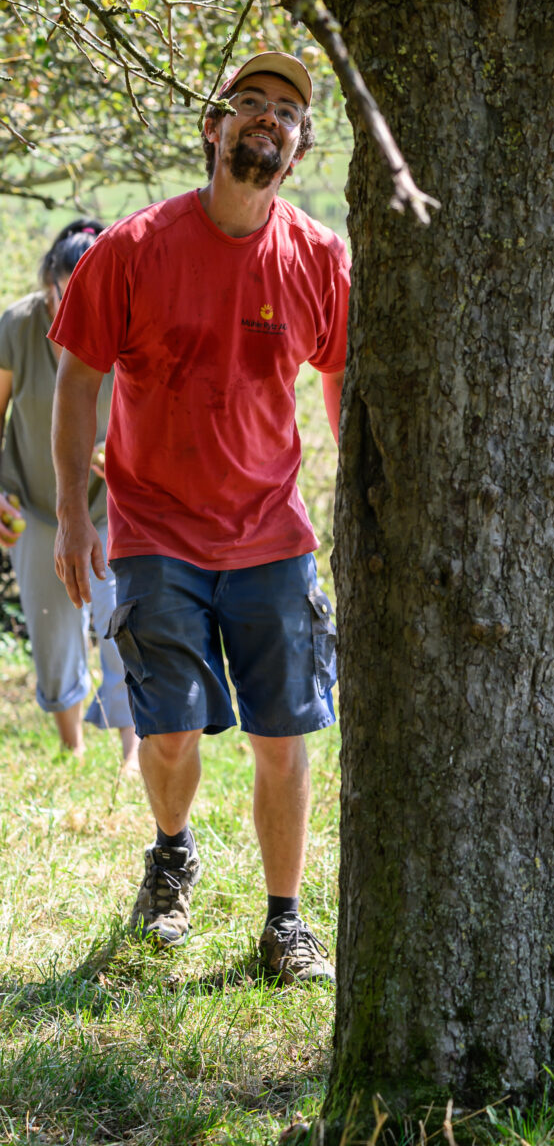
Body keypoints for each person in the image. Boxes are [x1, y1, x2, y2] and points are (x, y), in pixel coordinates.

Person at [50, 51, 350, 985]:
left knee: (283, 737)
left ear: (297, 150)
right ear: (213, 130)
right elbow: (78, 378)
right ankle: (172, 854)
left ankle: (285, 919)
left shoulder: (318, 256)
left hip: (273, 533)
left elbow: (341, 379)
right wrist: (70, 509)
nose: (268, 119)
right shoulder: (132, 249)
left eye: (287, 113)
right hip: (154, 532)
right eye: (249, 105)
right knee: (170, 732)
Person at [0, 220, 137, 765]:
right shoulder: (16, 325)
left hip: (112, 507)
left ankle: (131, 751)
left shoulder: (128, 324)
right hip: (31, 504)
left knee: (120, 621)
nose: (72, 307)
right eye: (63, 294)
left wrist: (118, 456)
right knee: (51, 623)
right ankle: (72, 747)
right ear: (49, 281)